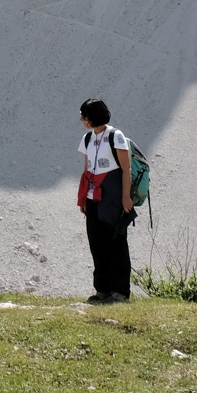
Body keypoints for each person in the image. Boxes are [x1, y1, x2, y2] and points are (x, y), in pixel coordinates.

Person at [76, 97, 133, 303]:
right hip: (93, 197)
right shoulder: (87, 138)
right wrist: (84, 198)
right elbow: (87, 169)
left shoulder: (115, 136)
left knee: (115, 242)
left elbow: (126, 169)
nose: (82, 120)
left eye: (84, 116)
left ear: (94, 117)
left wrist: (125, 197)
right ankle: (103, 290)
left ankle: (120, 292)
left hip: (112, 197)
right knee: (96, 243)